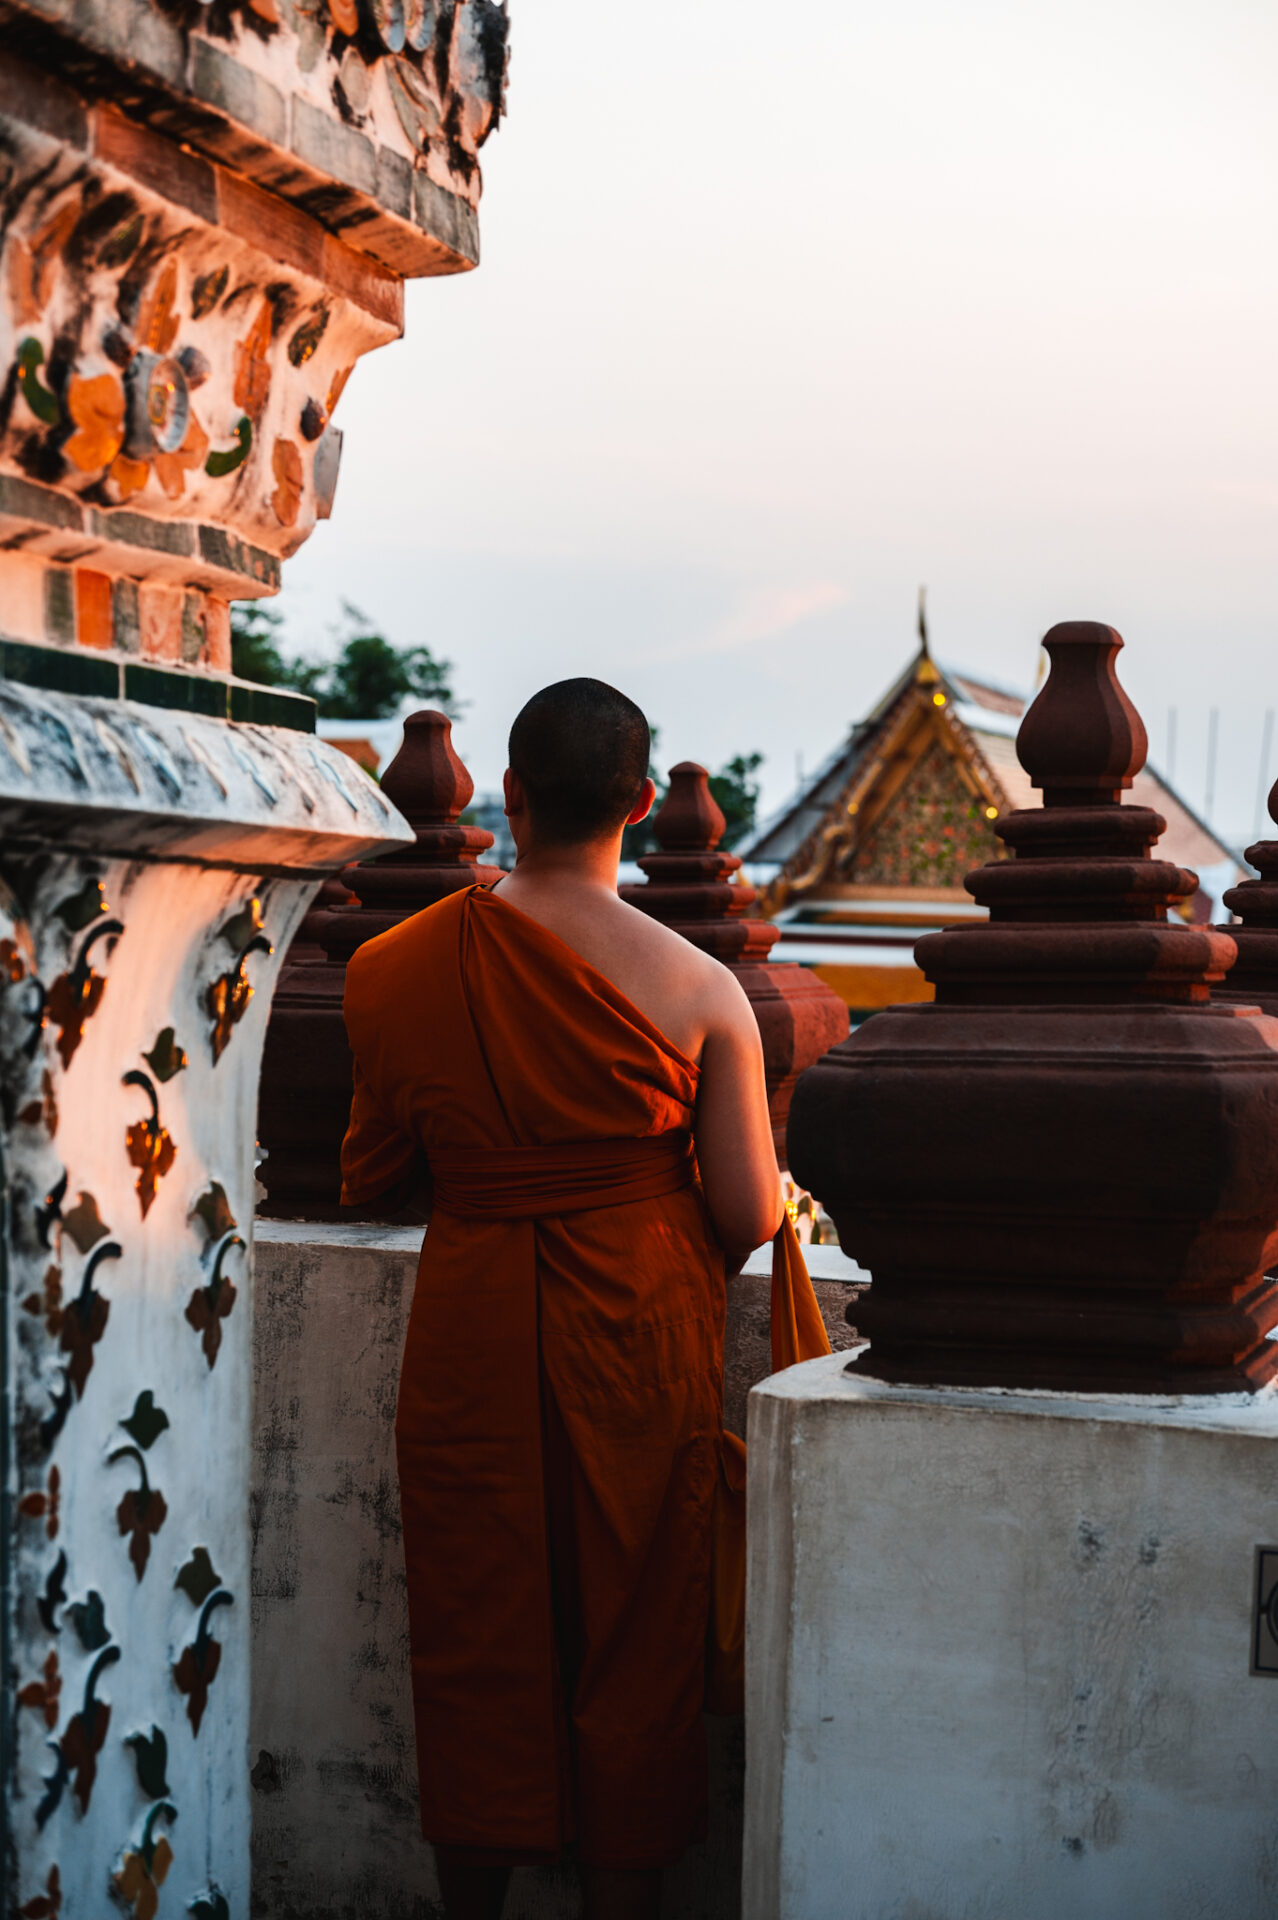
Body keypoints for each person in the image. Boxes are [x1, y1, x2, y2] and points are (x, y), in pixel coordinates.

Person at [340, 678, 786, 1920]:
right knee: (639, 1638)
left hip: (472, 1321)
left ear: (510, 795)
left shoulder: (392, 967)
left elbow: (373, 1174)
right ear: (644, 805)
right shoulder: (704, 991)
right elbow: (749, 1217)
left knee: (479, 1626)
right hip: (639, 1333)